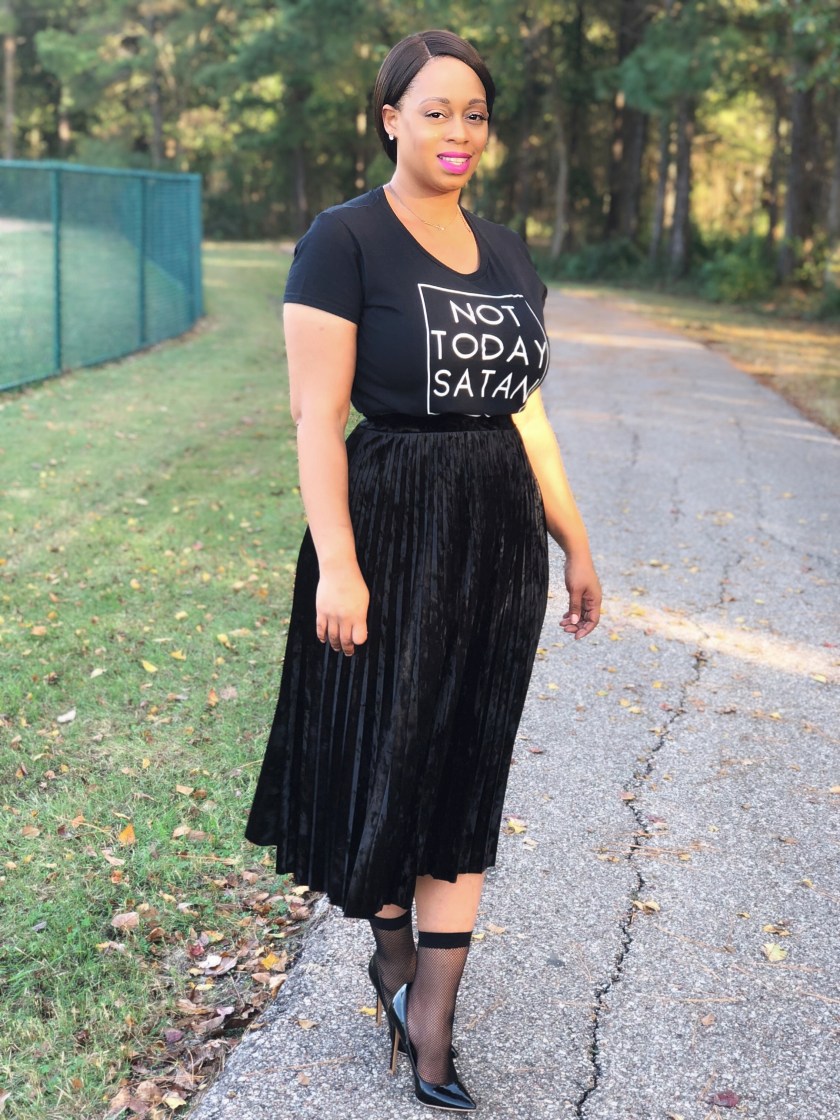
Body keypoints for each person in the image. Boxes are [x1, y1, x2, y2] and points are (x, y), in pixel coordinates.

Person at [244, 29, 602, 1113]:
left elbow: (527, 415)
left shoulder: (508, 253)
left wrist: (575, 541)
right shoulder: (344, 239)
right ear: (390, 118)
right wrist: (338, 565)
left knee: (468, 757)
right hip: (391, 525)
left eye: (475, 114)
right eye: (436, 110)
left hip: (499, 539)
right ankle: (391, 950)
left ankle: (433, 1021)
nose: (458, 131)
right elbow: (316, 418)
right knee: (388, 753)